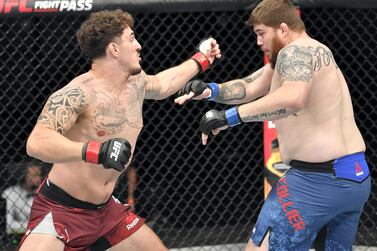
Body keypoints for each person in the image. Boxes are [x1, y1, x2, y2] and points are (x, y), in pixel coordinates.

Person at [175, 0, 371, 250]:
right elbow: (248, 87)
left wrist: (228, 117)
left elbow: (292, 99)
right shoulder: (307, 53)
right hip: (354, 177)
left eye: (261, 33)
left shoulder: (295, 52)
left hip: (317, 181)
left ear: (282, 29)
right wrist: (208, 90)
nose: (258, 42)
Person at [20, 9, 221, 251]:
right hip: (61, 210)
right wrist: (96, 151)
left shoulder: (136, 83)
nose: (139, 46)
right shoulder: (77, 93)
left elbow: (163, 83)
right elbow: (37, 142)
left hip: (106, 212)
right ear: (114, 49)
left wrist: (201, 59)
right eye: (131, 39)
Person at [1, 159, 42, 248]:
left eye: (39, 175)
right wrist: (37, 225)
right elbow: (9, 225)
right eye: (34, 175)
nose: (38, 178)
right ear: (24, 176)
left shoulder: (43, 193)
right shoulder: (10, 193)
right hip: (15, 239)